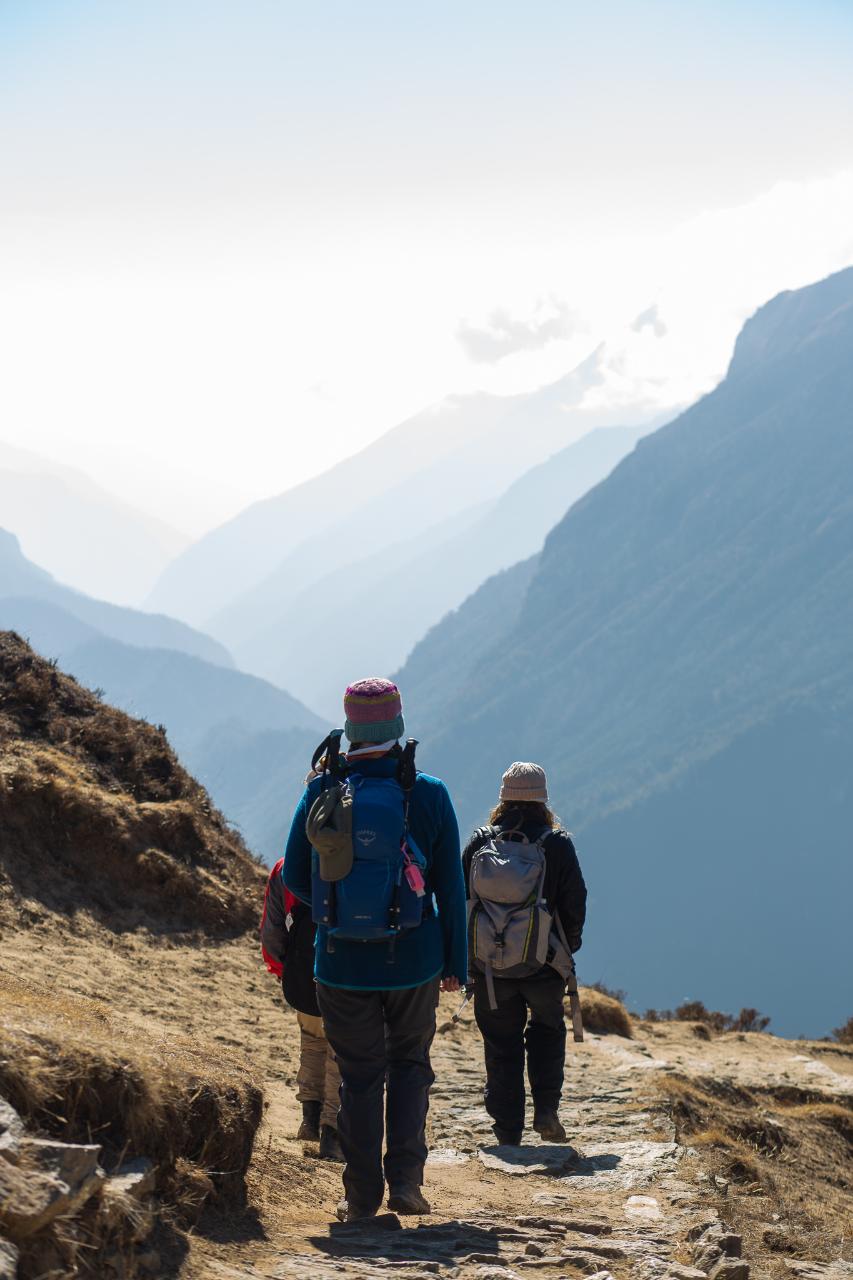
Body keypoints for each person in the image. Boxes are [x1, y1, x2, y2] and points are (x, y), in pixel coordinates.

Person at [283, 677, 467, 1223]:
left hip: (340, 964)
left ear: (349, 728)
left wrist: (338, 909)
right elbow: (451, 890)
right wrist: (455, 963)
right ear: (397, 726)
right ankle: (406, 1182)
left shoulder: (322, 791)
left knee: (361, 1077)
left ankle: (360, 1198)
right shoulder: (428, 793)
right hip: (413, 961)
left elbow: (295, 874)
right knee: (411, 1066)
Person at [462, 761, 586, 1147]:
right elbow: (575, 901)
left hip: (489, 969)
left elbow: (459, 900)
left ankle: (507, 1130)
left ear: (502, 798)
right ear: (543, 799)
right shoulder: (557, 844)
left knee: (501, 1044)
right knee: (548, 1032)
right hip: (544, 963)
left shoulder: (480, 843)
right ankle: (546, 1110)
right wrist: (567, 947)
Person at [259, 857, 344, 1161]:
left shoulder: (285, 867)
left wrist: (284, 969)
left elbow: (271, 928)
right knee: (341, 1051)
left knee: (311, 1041)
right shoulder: (356, 855)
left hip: (303, 972)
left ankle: (309, 1119)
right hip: (345, 970)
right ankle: (332, 1132)